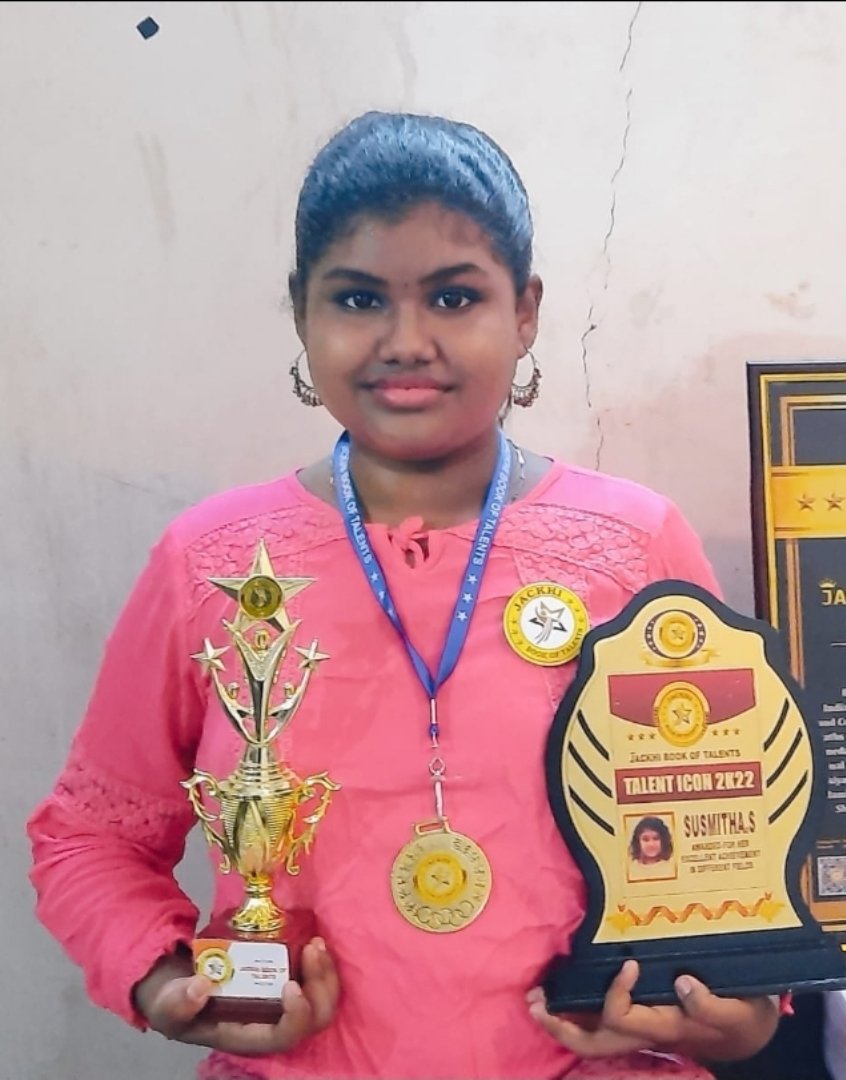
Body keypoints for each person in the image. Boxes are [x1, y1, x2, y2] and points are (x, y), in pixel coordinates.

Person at [27, 111, 784, 1080]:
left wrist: (736, 1012)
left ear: (525, 313)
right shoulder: (211, 564)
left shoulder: (633, 548)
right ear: (301, 313)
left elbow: (739, 843)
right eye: (358, 299)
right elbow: (89, 837)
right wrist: (164, 980)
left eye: (455, 297)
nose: (407, 341)